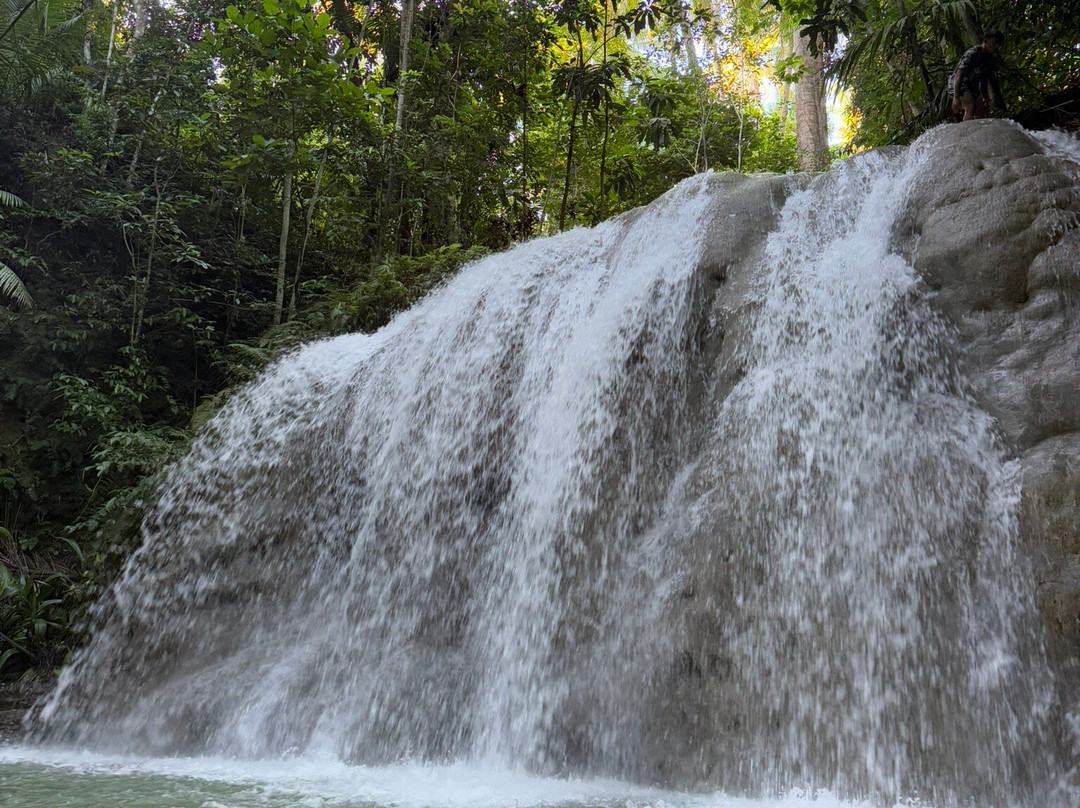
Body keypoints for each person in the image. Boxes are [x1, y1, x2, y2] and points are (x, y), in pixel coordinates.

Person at [952, 29, 1006, 121]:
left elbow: (984, 80)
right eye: (994, 43)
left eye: (998, 44)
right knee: (970, 106)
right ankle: (967, 132)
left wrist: (986, 97)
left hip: (973, 86)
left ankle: (978, 129)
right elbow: (959, 74)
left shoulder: (990, 59)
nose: (996, 46)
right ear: (986, 41)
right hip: (960, 84)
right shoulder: (972, 53)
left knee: (981, 108)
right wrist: (955, 97)